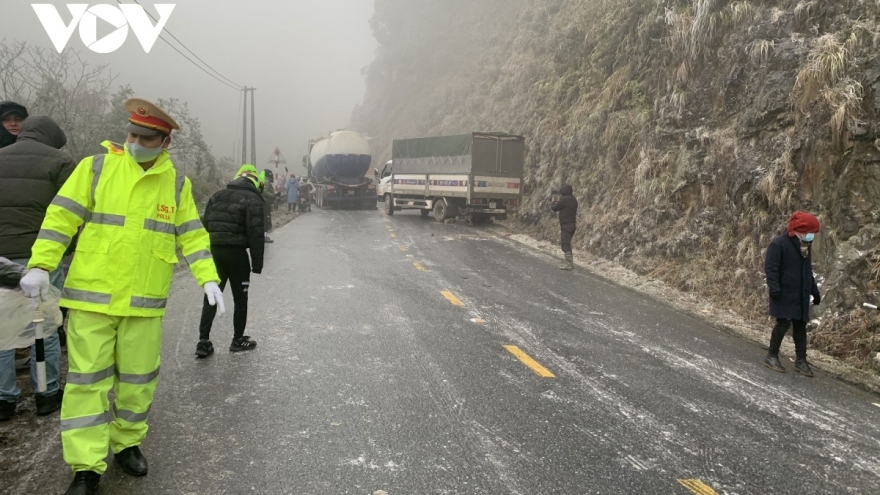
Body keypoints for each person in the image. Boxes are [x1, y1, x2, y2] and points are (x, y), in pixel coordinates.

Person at [19, 98, 224, 495]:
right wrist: (40, 264)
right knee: (87, 383)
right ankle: (85, 467)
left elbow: (193, 235)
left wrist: (208, 278)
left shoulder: (177, 184)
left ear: (164, 143)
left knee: (137, 382)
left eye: (145, 138)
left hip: (144, 303)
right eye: (131, 134)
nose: (134, 142)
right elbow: (62, 216)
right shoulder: (95, 169)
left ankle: (127, 444)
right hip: (91, 300)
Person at [0, 116, 76, 421]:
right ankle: (46, 393)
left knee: (3, 328)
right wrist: (68, 251)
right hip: (43, 257)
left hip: (1, 258)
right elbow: (74, 211)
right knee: (44, 325)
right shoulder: (61, 161)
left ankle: (4, 399)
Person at [195, 167, 265, 357]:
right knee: (240, 298)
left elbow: (205, 224)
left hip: (214, 251)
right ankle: (238, 339)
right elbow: (256, 234)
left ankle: (203, 342)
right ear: (256, 183)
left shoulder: (217, 195)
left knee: (211, 296)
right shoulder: (254, 199)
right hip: (237, 254)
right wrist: (256, 264)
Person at [763, 211, 822, 377]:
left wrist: (814, 291)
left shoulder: (805, 246)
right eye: (811, 232)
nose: (812, 236)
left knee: (800, 325)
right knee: (782, 323)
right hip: (782, 292)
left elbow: (807, 272)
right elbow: (771, 268)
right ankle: (772, 355)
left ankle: (801, 360)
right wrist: (773, 288)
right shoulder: (778, 244)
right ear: (801, 230)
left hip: (800, 294)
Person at [550, 184, 578, 271]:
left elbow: (554, 208)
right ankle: (569, 263)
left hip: (566, 225)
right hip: (572, 224)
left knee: (565, 244)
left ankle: (569, 264)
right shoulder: (574, 200)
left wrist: (553, 202)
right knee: (567, 243)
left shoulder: (564, 200)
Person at [261, 169, 275, 243]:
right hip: (265, 203)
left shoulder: (264, 180)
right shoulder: (266, 181)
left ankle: (264, 236)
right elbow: (265, 191)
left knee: (265, 219)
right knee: (266, 220)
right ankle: (264, 236)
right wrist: (273, 196)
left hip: (264, 203)